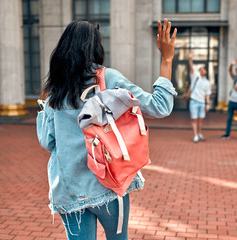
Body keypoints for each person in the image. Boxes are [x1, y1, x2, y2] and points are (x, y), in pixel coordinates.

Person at [36, 19, 177, 240]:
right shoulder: (107, 78)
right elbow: (160, 106)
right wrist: (167, 59)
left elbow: (47, 142)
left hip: (69, 190)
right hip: (110, 185)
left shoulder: (55, 91)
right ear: (95, 48)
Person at [188, 51, 211, 143]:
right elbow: (191, 67)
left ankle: (200, 133)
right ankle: (195, 135)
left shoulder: (207, 82)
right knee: (194, 119)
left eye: (204, 69)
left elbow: (207, 94)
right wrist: (190, 58)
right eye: (200, 69)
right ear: (199, 71)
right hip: (194, 101)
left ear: (205, 71)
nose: (202, 70)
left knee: (201, 120)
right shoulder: (195, 77)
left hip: (202, 102)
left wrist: (207, 104)